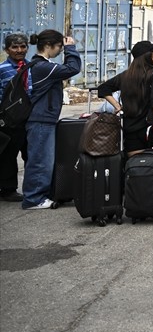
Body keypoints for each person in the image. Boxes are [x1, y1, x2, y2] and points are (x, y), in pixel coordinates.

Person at [22, 30, 82, 209]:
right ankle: (34, 199)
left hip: (42, 118)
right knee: (40, 160)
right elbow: (73, 68)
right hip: (40, 120)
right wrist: (71, 48)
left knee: (41, 159)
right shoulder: (43, 67)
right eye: (59, 47)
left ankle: (39, 194)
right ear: (48, 46)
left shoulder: (39, 65)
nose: (59, 51)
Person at [98, 41, 153, 156]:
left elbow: (103, 88)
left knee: (135, 166)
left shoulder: (126, 75)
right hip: (150, 129)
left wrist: (117, 106)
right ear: (147, 56)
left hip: (129, 128)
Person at [0, 33, 32, 202]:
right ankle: (8, 189)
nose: (19, 50)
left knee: (31, 154)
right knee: (8, 155)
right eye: (14, 47)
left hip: (30, 118)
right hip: (10, 120)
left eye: (23, 46)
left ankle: (32, 188)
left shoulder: (32, 66)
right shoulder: (2, 70)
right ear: (6, 49)